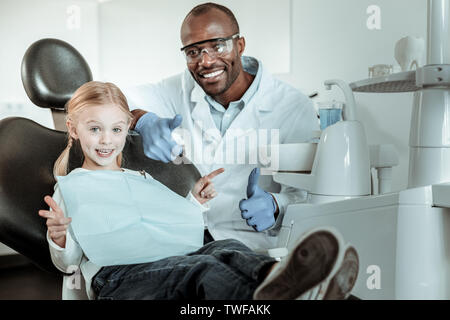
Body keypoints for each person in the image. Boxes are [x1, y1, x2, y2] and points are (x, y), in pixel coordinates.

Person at [38, 81, 359, 300]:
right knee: (202, 270)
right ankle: (263, 298)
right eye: (95, 129)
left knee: (226, 249)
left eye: (116, 129)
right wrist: (60, 238)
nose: (106, 140)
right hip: (116, 278)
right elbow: (69, 262)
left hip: (162, 257)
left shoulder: (139, 178)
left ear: (126, 130)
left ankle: (287, 280)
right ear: (74, 129)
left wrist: (196, 202)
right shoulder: (72, 186)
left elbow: (171, 225)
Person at [125, 2, 320, 251]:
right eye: (193, 52)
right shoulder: (178, 88)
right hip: (184, 237)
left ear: (239, 45)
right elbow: (112, 97)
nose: (205, 61)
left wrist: (275, 204)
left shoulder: (293, 106)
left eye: (217, 46)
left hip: (249, 243)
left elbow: (307, 196)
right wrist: (141, 118)